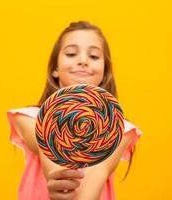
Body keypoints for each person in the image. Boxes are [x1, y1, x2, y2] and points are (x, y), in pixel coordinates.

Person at [7, 21, 142, 200]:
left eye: (94, 56)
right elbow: (48, 144)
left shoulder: (120, 129)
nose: (83, 61)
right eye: (71, 54)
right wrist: (60, 182)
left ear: (104, 72)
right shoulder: (29, 118)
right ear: (55, 69)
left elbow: (98, 170)